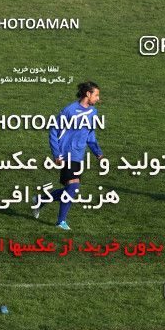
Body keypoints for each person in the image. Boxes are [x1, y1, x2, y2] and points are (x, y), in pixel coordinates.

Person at [32, 81, 104, 230]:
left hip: (78, 155)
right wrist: (57, 153)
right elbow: (53, 131)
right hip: (66, 154)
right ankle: (60, 222)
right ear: (88, 94)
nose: (98, 98)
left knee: (71, 190)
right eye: (96, 95)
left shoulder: (93, 112)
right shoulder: (69, 111)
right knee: (73, 186)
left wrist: (98, 154)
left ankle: (40, 200)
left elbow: (90, 135)